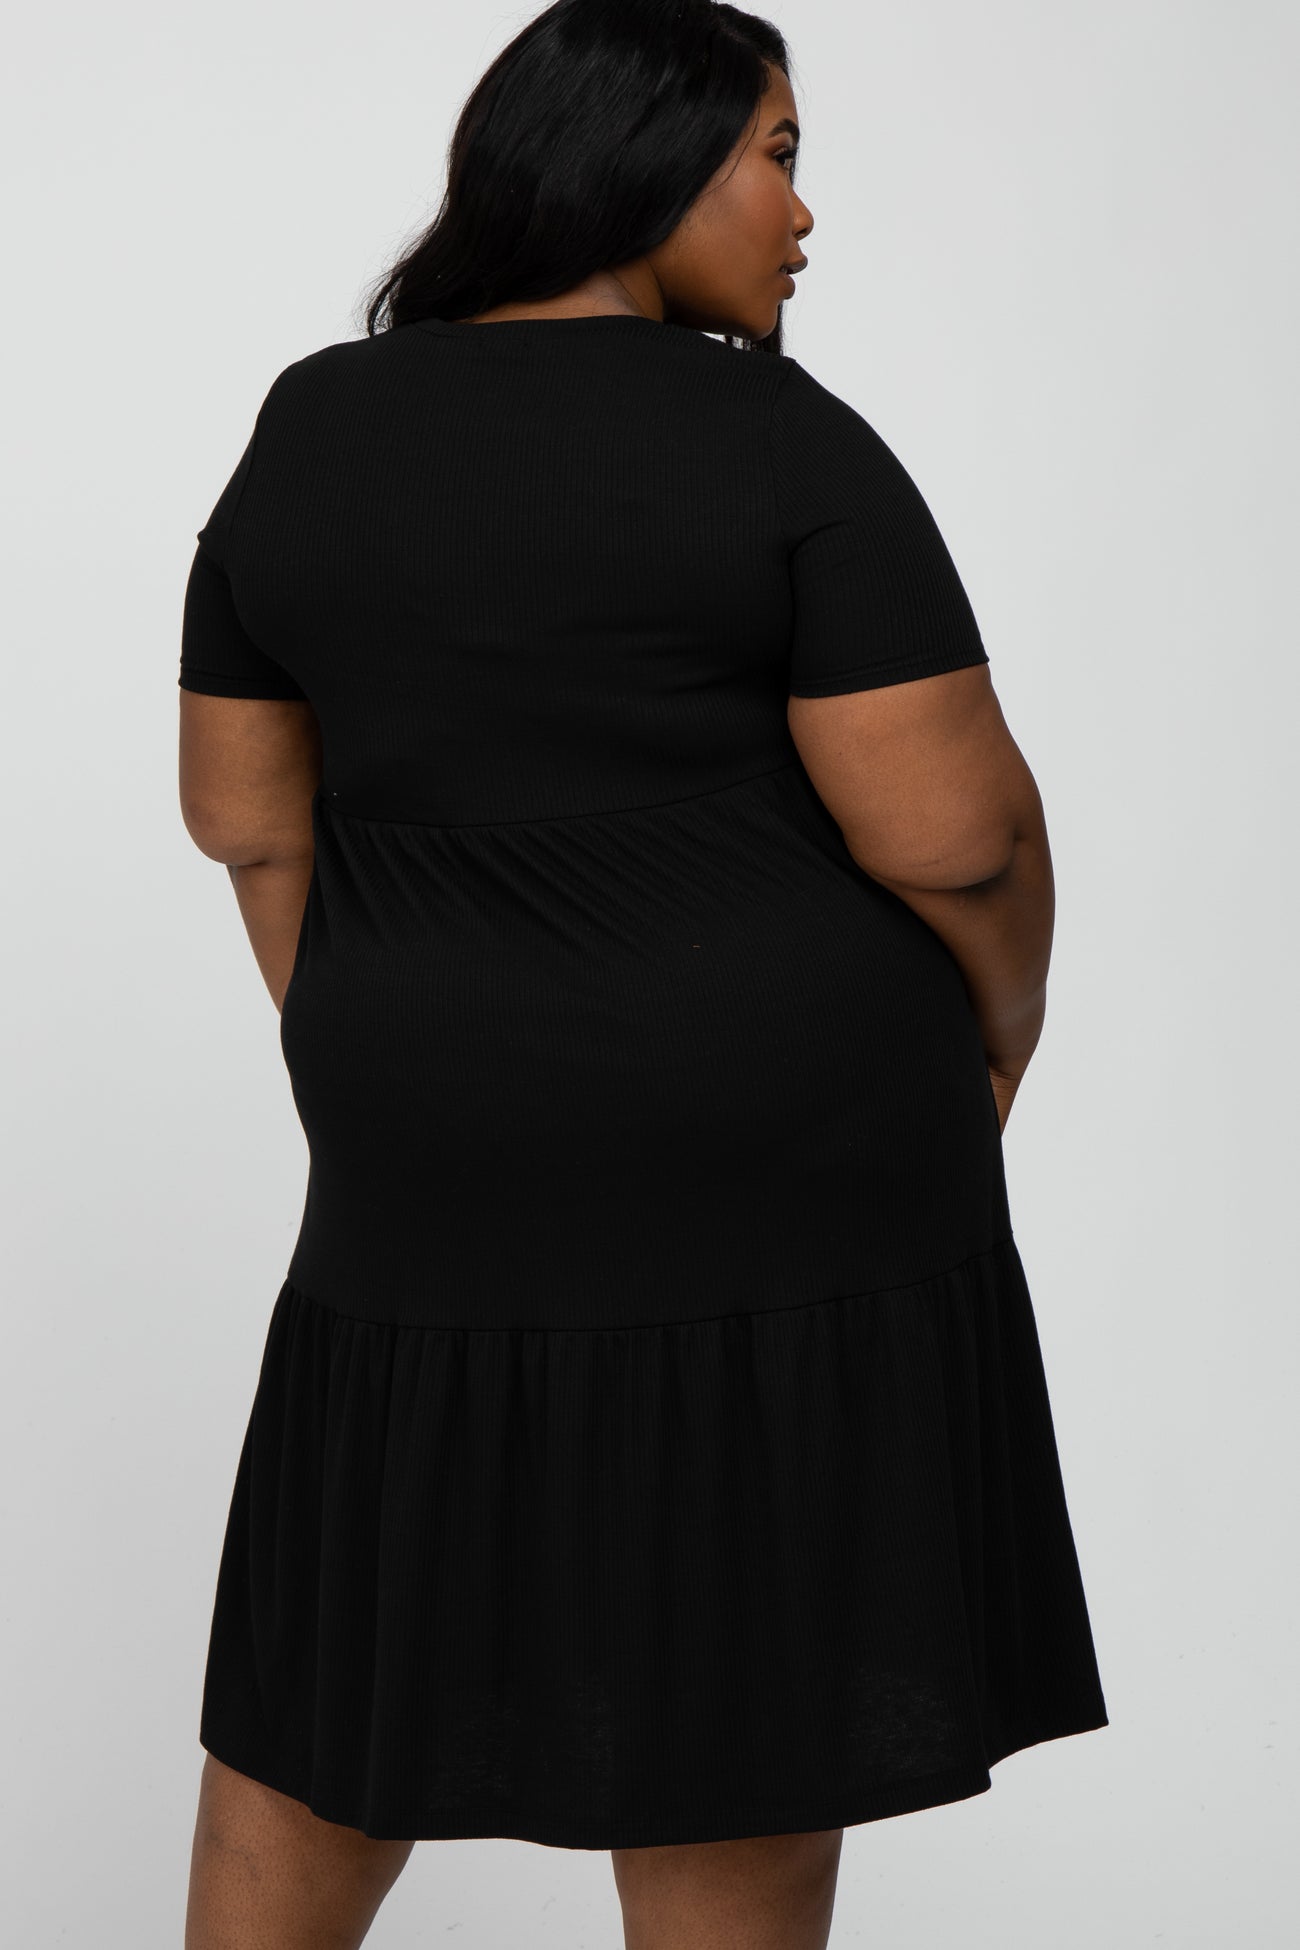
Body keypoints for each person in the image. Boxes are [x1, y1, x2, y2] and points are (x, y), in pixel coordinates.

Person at [178, 3, 1108, 1945]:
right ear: (643, 164)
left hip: (420, 1135)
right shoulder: (773, 435)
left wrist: (395, 1042)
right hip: (790, 1140)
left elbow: (247, 820)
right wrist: (998, 1039)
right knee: (744, 1643)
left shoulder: (312, 422)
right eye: (777, 154)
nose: (802, 212)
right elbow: (954, 833)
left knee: (350, 1619)